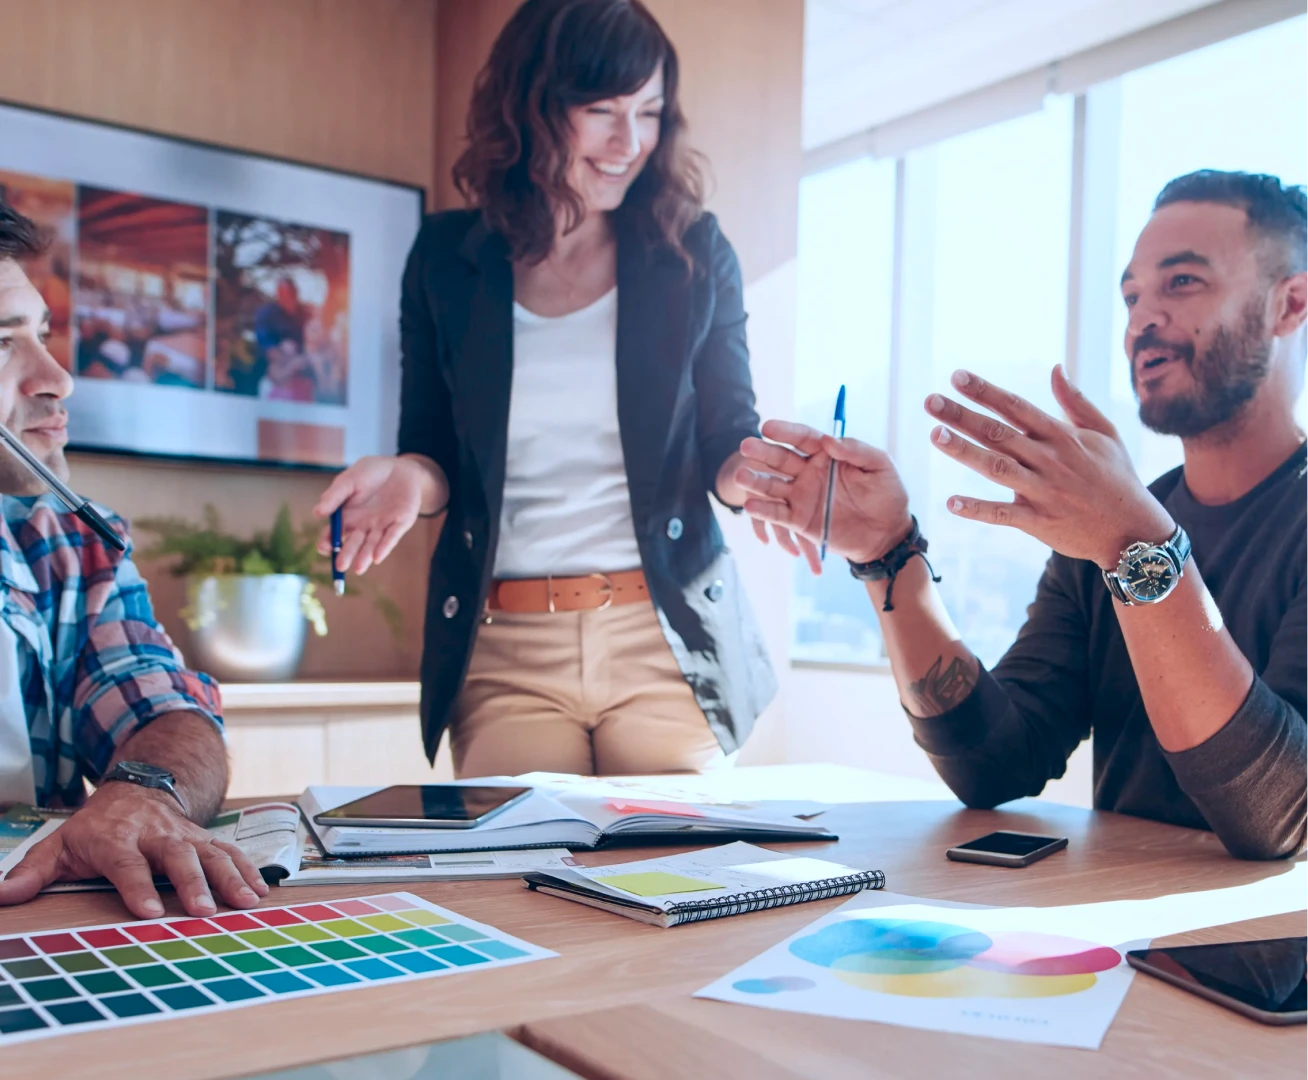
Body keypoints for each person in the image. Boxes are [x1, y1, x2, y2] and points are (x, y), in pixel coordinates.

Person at [737, 170, 1308, 860]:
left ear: (1290, 302)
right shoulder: (1110, 527)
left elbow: (1280, 815)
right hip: (1120, 938)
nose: (1141, 319)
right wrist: (888, 552)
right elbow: (994, 762)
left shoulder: (1124, 528)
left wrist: (1135, 542)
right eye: (1132, 294)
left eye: (1181, 283)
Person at [316, 0, 797, 777]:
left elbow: (724, 440)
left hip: (665, 636)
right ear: (532, 110)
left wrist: (757, 476)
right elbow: (433, 449)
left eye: (649, 111)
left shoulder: (693, 253)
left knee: (679, 884)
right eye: (601, 111)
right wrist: (407, 476)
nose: (629, 142)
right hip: (506, 649)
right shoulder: (446, 258)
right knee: (516, 884)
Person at [0, 201, 268, 915]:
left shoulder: (70, 544)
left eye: (44, 335)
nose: (57, 377)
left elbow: (159, 702)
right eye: (2, 344)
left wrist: (138, 792)